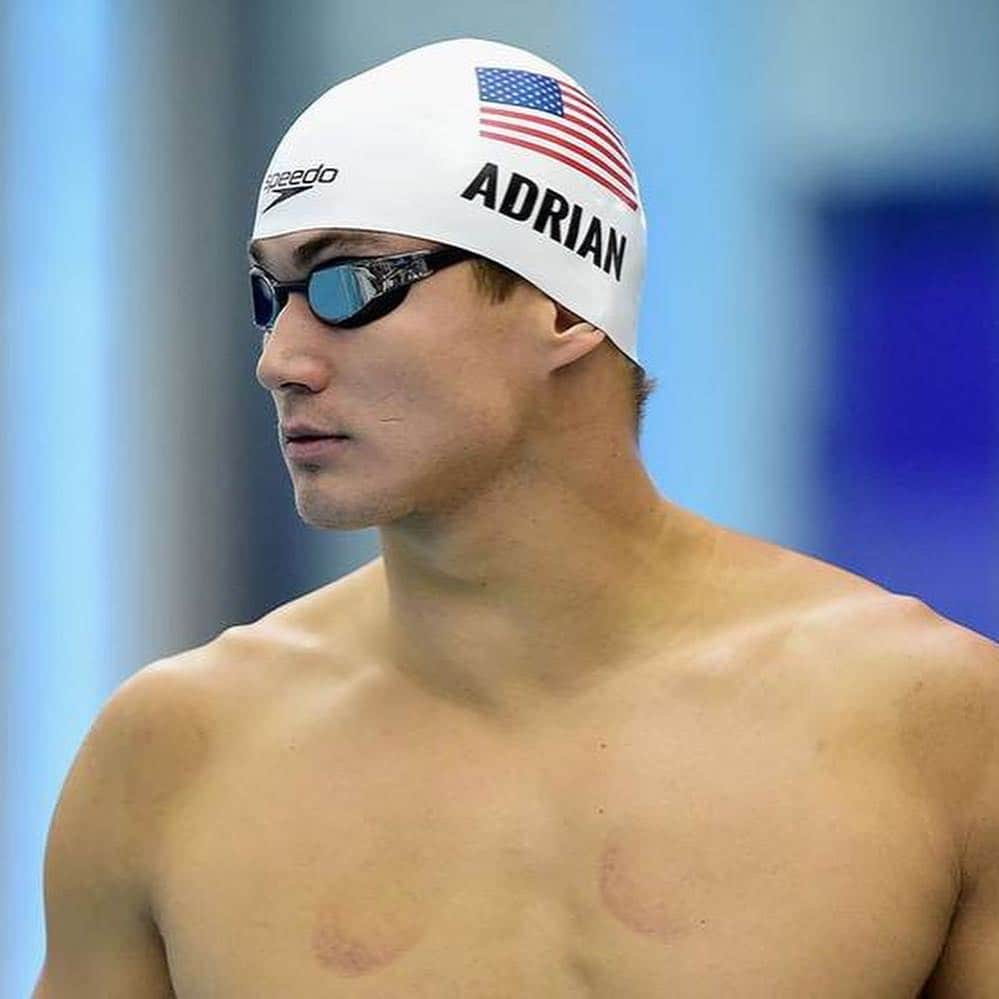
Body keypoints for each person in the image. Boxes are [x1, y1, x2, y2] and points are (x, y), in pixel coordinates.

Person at [35, 37, 998, 998]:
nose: (281, 358)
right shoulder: (171, 759)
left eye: (347, 284)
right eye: (272, 295)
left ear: (563, 305)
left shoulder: (929, 726)